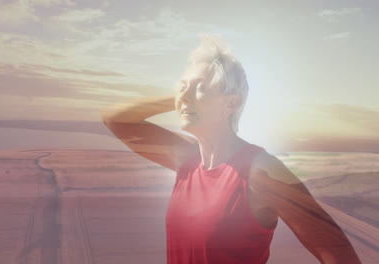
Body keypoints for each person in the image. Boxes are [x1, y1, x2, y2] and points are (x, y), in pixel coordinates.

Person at [100, 36, 361, 264]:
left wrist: (188, 95)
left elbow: (339, 254)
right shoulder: (186, 158)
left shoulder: (261, 171)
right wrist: (185, 95)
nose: (186, 95)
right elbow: (115, 119)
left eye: (201, 88)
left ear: (231, 103)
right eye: (182, 87)